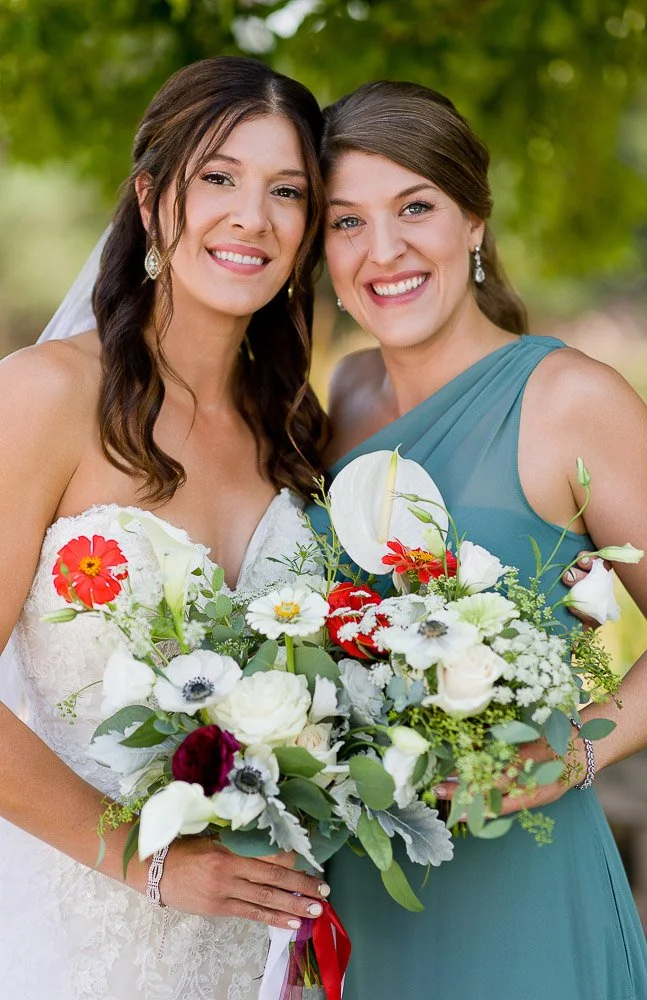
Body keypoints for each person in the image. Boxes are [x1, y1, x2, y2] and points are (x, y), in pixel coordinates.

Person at [319, 81, 647, 1000]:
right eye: (345, 221)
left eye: (415, 207)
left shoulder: (568, 398)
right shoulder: (341, 398)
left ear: (474, 218)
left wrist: (574, 749)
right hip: (360, 889)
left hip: (521, 882)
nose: (381, 250)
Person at [0, 56, 333, 999]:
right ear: (151, 201)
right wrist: (147, 863)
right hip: (81, 939)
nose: (251, 217)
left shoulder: (297, 437)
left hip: (263, 953)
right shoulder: (45, 395)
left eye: (286, 192)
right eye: (217, 178)